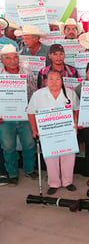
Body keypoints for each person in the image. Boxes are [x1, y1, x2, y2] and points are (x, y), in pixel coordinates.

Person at [27, 69, 80, 195]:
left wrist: (76, 123)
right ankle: (54, 183)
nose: (54, 82)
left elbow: (76, 109)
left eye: (57, 79)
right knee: (51, 159)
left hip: (67, 132)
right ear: (46, 81)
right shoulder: (38, 95)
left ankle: (68, 181)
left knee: (68, 157)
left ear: (62, 81)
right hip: (48, 133)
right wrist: (34, 130)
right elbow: (30, 113)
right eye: (51, 79)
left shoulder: (70, 93)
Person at [0, 45, 37, 186]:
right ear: (2, 60)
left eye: (15, 57)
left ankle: (29, 169)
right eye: (8, 58)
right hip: (5, 118)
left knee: (28, 144)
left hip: (25, 117)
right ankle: (13, 173)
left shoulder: (28, 73)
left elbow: (34, 94)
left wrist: (32, 111)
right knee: (8, 147)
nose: (13, 61)